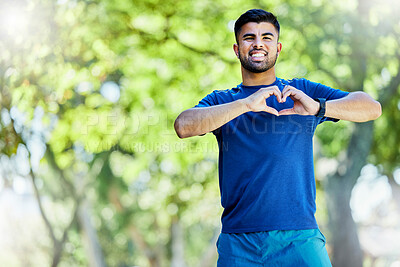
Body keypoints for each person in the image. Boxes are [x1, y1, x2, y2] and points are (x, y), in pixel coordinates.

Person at [174, 9, 381, 266]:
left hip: (300, 239)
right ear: (237, 49)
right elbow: (183, 125)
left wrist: (319, 107)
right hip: (239, 244)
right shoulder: (222, 101)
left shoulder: (302, 92)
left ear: (278, 47)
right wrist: (245, 104)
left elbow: (371, 107)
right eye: (249, 37)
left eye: (267, 37)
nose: (258, 43)